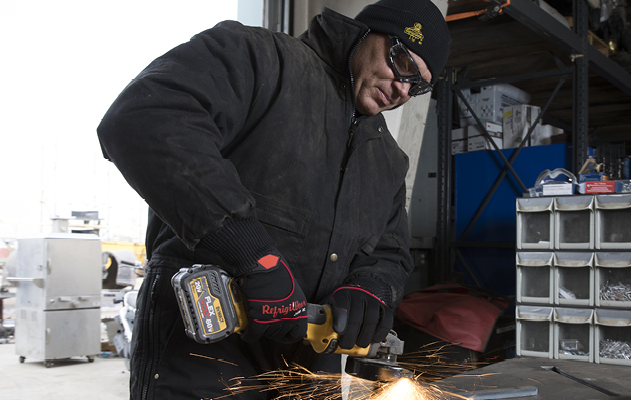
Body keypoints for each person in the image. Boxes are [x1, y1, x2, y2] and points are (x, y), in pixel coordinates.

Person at [96, 0, 451, 398]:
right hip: (203, 351)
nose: (403, 89)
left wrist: (370, 287)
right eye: (402, 64)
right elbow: (145, 119)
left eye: (417, 85)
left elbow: (390, 253)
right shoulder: (260, 59)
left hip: (307, 371)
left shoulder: (387, 158)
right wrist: (252, 255)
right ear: (368, 33)